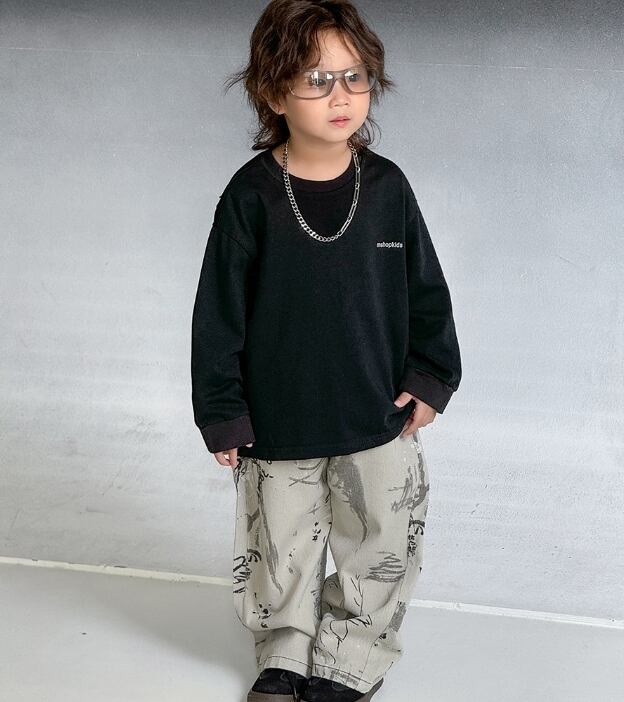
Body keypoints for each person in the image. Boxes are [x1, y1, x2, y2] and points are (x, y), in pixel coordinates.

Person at [191, 1, 462, 700]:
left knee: (382, 541)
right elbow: (218, 314)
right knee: (278, 545)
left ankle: (352, 658)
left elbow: (427, 291)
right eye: (316, 79)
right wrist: (222, 411)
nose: (341, 95)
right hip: (277, 418)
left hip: (378, 413)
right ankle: (284, 648)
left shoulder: (388, 188)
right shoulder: (251, 196)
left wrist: (432, 375)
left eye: (354, 76)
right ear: (273, 92)